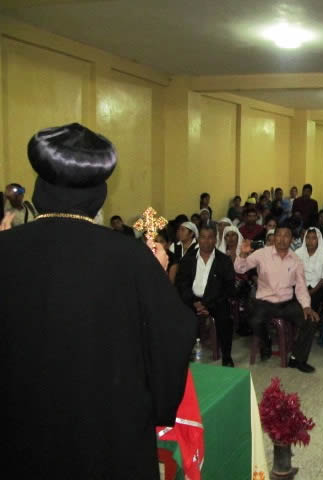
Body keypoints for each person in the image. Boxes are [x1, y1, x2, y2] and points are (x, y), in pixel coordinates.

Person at [0, 123, 196, 478]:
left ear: (40, 188)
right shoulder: (130, 257)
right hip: (106, 434)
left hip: (19, 429)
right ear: (99, 196)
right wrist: (157, 281)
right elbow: (173, 333)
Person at [235, 223, 320, 373]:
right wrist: (242, 254)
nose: (282, 239)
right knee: (254, 319)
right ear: (274, 237)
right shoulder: (262, 254)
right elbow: (240, 268)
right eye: (279, 235)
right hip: (264, 302)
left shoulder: (296, 260)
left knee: (311, 320)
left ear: (291, 239)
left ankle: (297, 359)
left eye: (286, 235)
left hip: (287, 303)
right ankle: (265, 341)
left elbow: (301, 287)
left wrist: (306, 306)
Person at [176, 224, 236, 367]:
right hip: (192, 300)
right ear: (198, 239)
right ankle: (184, 353)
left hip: (215, 301)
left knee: (225, 318)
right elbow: (181, 284)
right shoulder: (188, 259)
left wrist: (207, 304)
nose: (206, 241)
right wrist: (194, 301)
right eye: (203, 237)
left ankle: (226, 356)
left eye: (210, 238)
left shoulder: (224, 260)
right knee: (179, 315)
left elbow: (228, 288)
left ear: (215, 239)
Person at [296, 227, 323, 312]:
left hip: (318, 288)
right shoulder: (297, 253)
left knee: (314, 303)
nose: (310, 241)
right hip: (301, 286)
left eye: (314, 238)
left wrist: (311, 292)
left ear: (319, 240)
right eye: (308, 237)